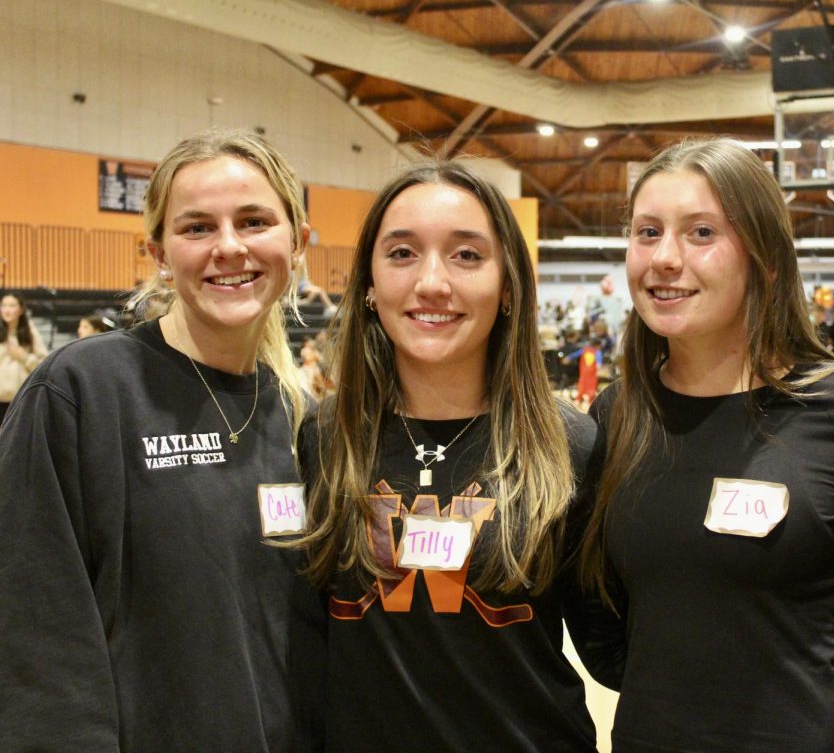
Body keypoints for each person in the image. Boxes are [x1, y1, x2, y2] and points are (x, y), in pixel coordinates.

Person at [0, 130, 323, 750]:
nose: (229, 247)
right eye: (197, 228)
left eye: (254, 221)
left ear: (298, 241)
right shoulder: (84, 391)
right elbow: (34, 634)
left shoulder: (301, 416)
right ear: (158, 253)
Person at [579, 139, 834, 751]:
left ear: (767, 258)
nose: (665, 259)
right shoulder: (619, 412)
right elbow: (601, 610)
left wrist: (826, 653)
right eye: (647, 232)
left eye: (701, 233)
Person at [293, 161, 621, 751]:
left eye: (467, 255)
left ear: (509, 286)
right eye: (401, 254)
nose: (432, 283)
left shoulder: (568, 444)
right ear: (368, 284)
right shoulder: (322, 437)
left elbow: (615, 646)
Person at [0, 293, 48, 424]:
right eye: (3, 305)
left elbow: (43, 365)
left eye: (11, 305)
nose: (7, 310)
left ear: (20, 309)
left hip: (19, 399)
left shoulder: (30, 332)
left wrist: (23, 356)